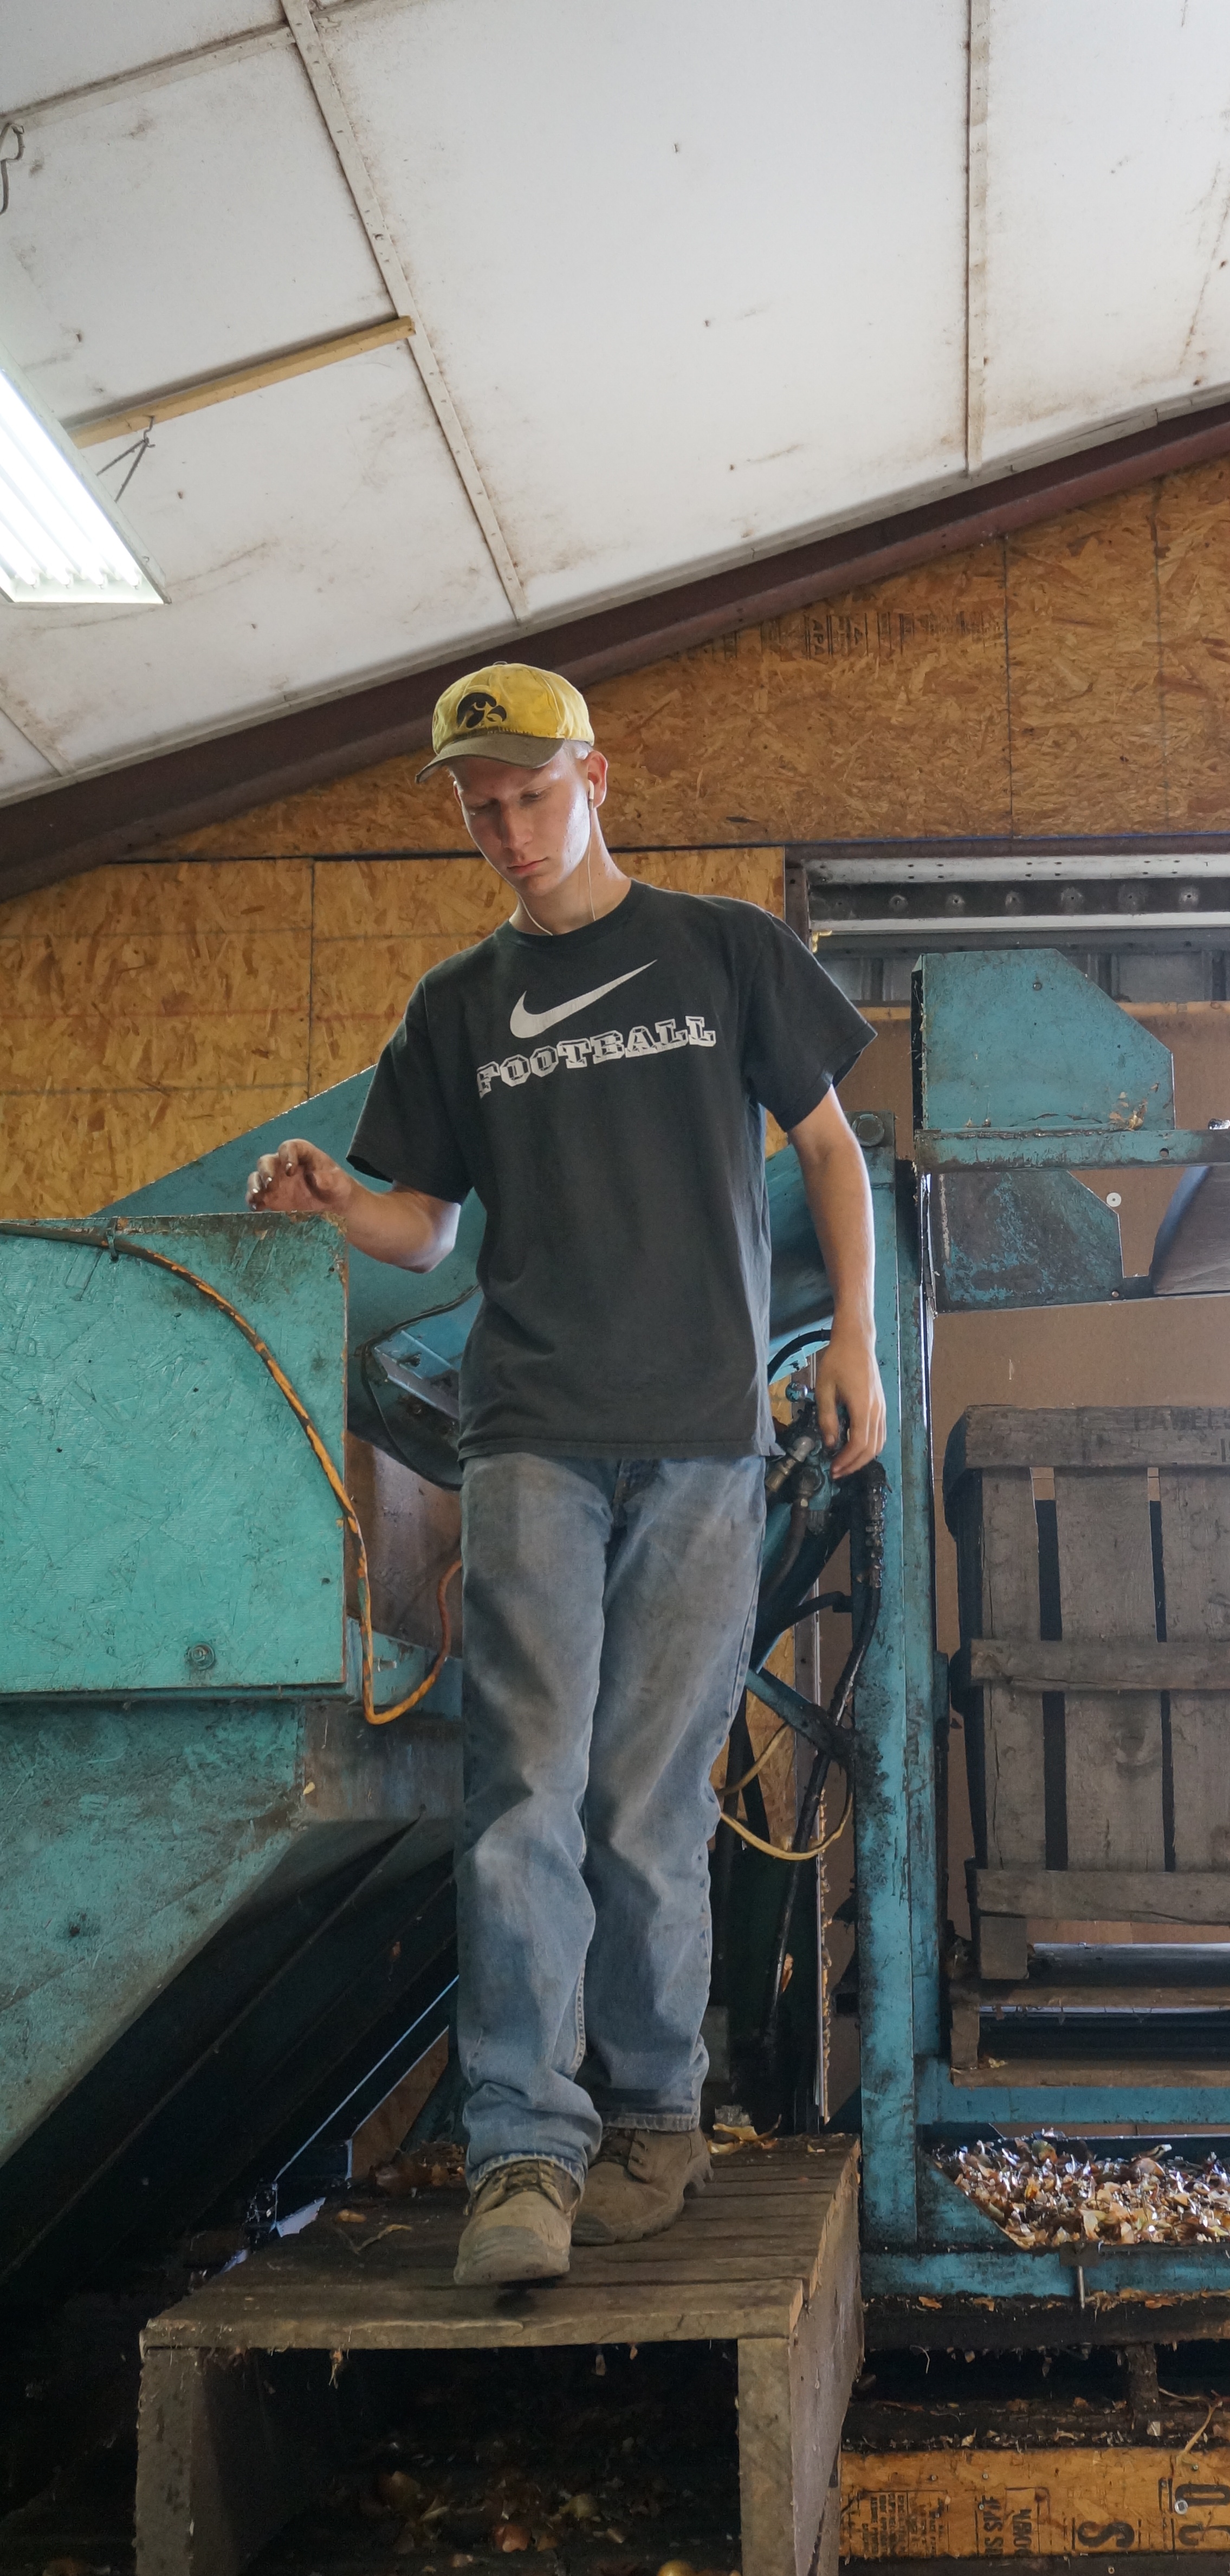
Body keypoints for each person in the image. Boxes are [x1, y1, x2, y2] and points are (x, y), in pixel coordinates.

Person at [248, 662, 883, 2287]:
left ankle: (658, 2119)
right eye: (480, 809)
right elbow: (427, 1228)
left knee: (644, 1798)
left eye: (531, 796)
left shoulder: (724, 950)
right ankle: (523, 2155)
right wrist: (339, 1200)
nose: (509, 830)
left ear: (596, 778)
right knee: (520, 1791)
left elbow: (827, 1146)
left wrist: (857, 1345)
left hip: (701, 1436)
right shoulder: (459, 1006)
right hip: (527, 1433)